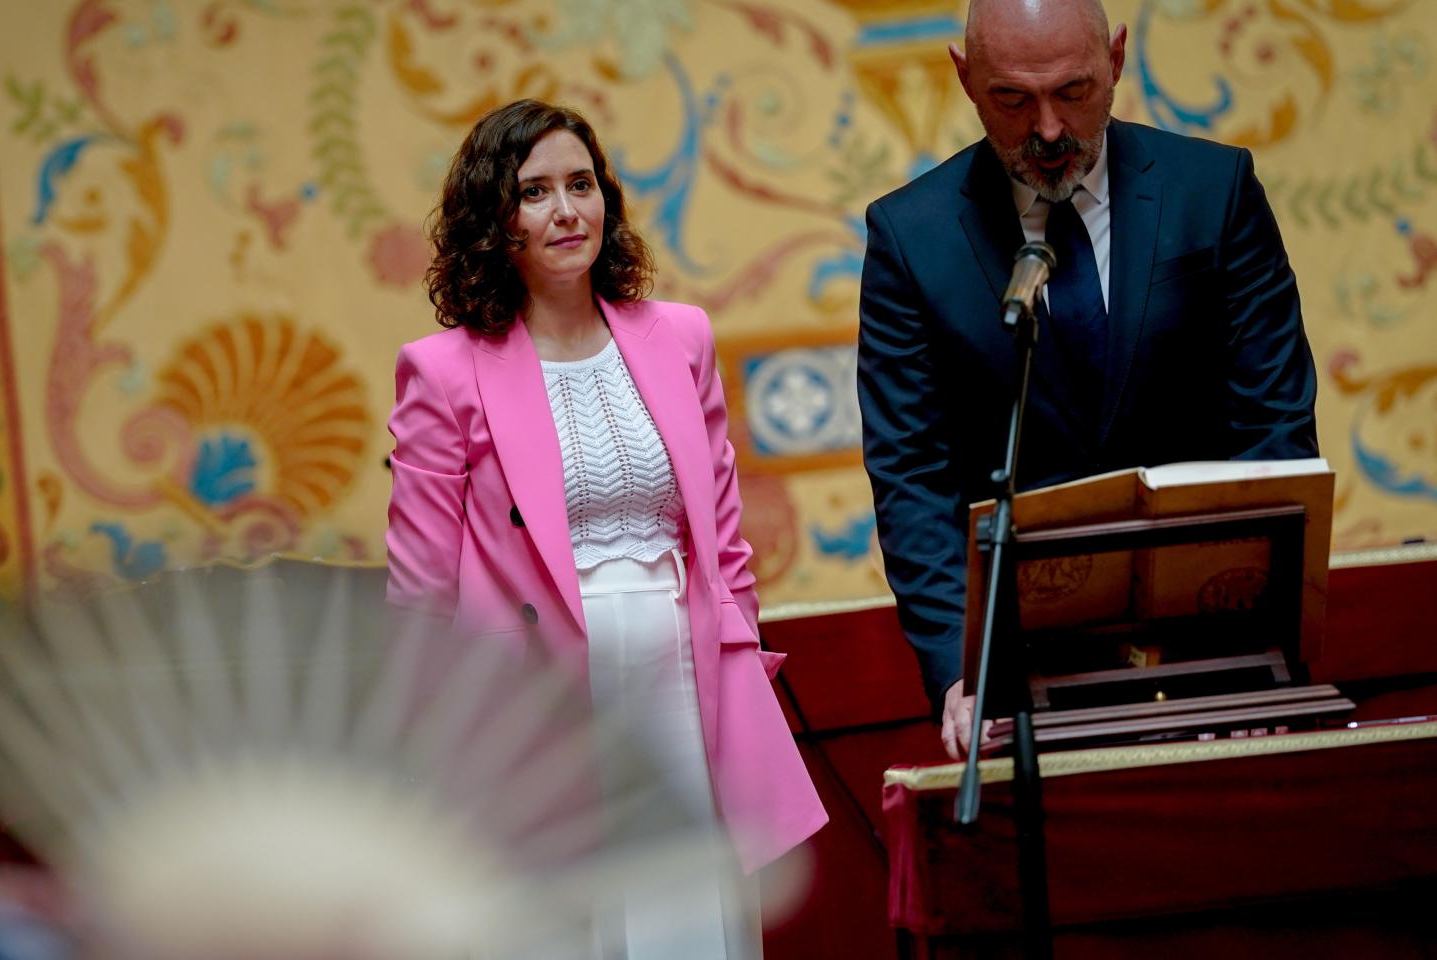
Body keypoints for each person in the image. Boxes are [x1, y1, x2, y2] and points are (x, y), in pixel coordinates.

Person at [386, 99, 826, 957]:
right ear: (493, 219)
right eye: (536, 191)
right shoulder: (441, 373)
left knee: (694, 915)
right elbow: (421, 589)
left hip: (683, 672)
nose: (567, 211)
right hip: (535, 695)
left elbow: (724, 544)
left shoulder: (681, 338)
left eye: (582, 185)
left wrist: (741, 663)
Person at [856, 0, 1318, 758]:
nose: (1046, 129)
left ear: (1117, 62)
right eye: (1012, 98)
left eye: (1073, 91)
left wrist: (1260, 634)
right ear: (965, 79)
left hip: (1218, 631)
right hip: (1025, 656)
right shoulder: (912, 237)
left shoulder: (1215, 189)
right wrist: (955, 673)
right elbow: (912, 475)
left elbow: (1275, 426)